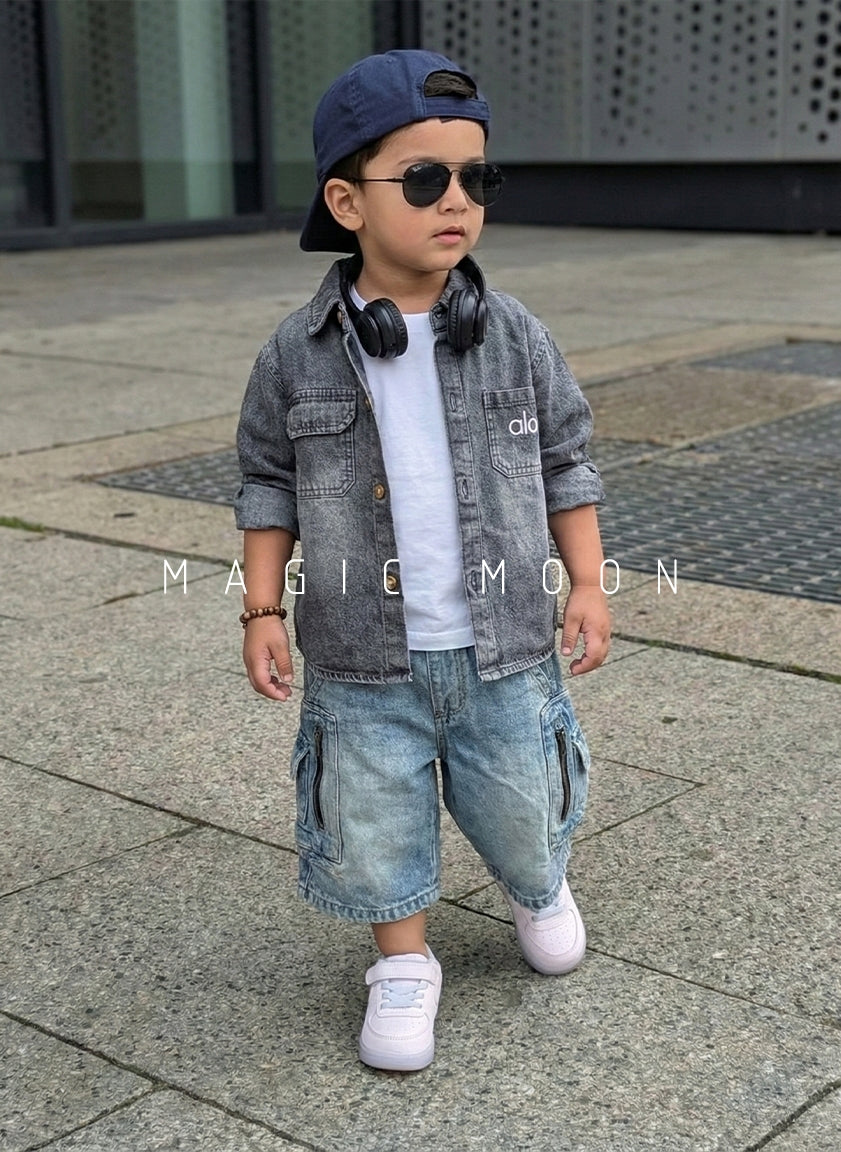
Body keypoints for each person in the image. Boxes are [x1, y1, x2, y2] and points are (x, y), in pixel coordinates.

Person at [234, 49, 610, 1073]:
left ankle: (537, 885)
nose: (457, 200)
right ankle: (402, 961)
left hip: (504, 643)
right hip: (362, 658)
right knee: (372, 820)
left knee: (522, 800)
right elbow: (267, 482)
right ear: (346, 201)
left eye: (476, 177)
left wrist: (585, 582)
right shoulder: (296, 353)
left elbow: (566, 459)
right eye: (425, 178)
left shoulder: (513, 335)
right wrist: (260, 610)